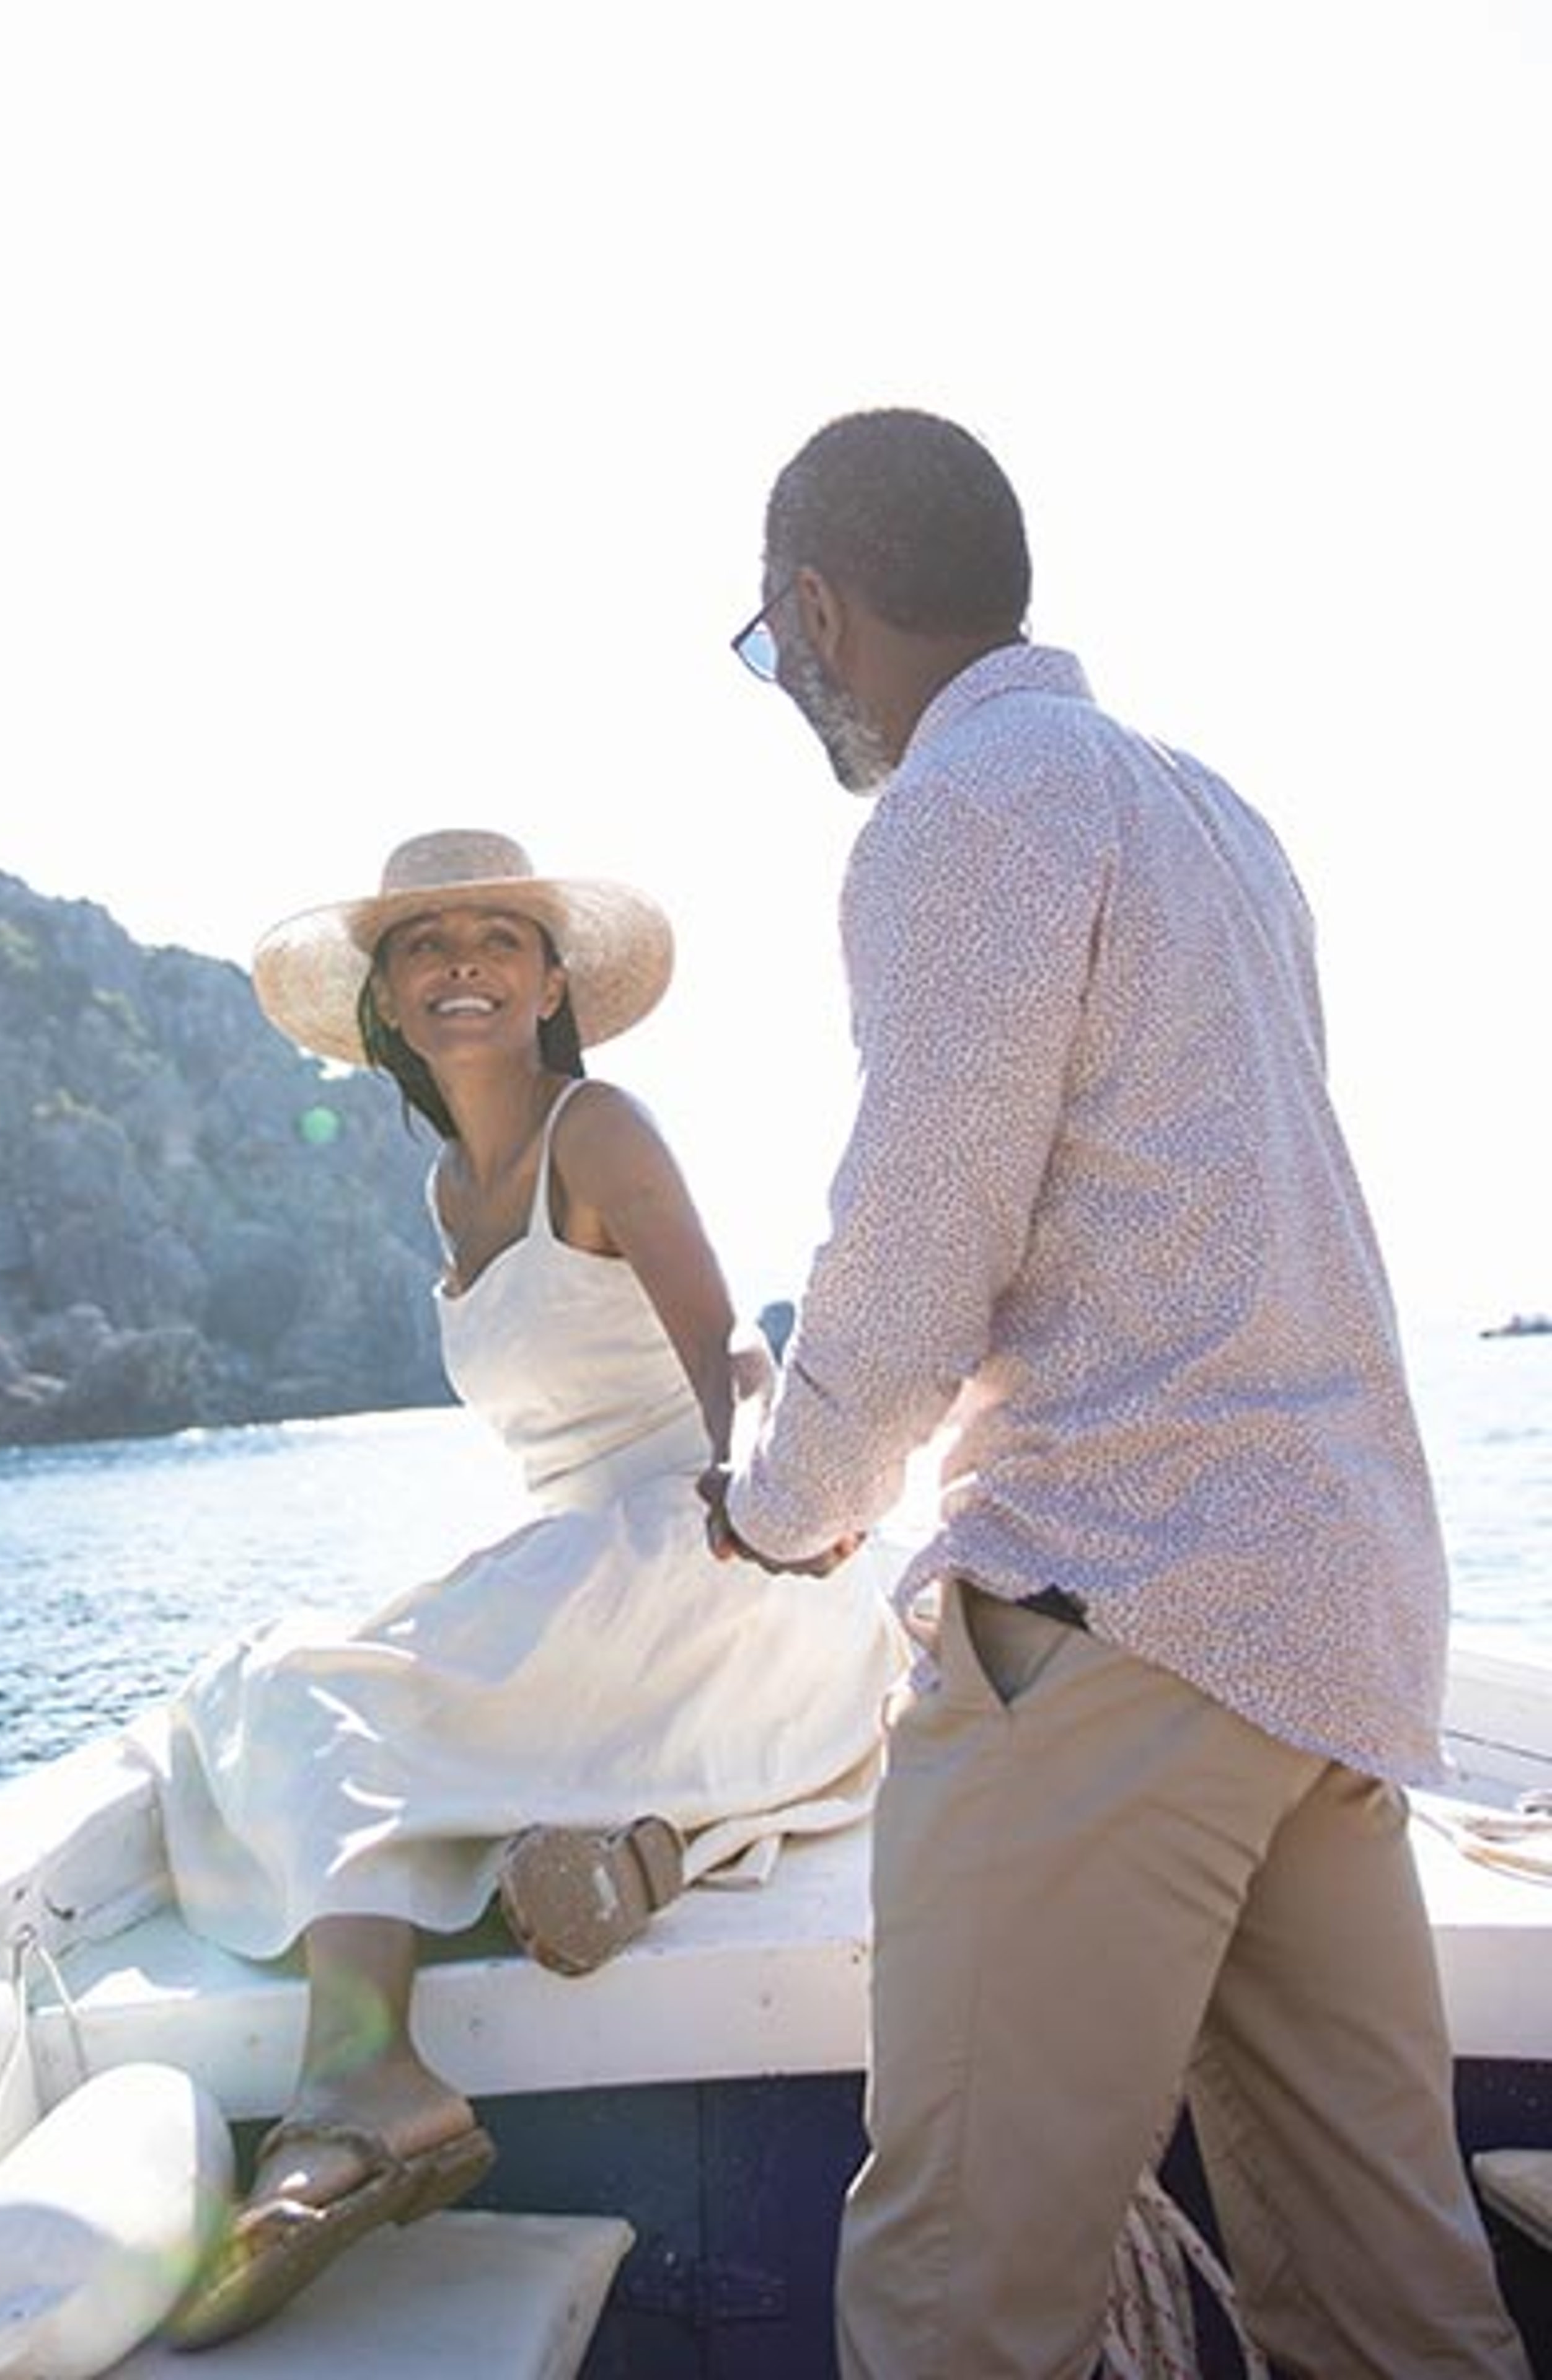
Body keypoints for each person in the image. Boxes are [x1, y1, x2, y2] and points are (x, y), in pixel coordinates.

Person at [706, 407, 1528, 2379]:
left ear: (817, 609)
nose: (784, 686)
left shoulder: (966, 808)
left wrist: (778, 1504)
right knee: (1390, 2297)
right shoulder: (1211, 811)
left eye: (766, 649)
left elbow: (918, 1243)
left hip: (1123, 1615)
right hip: (1330, 1632)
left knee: (956, 2306)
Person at [151, 827, 908, 2350]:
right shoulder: (447, 1186)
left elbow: (737, 1357)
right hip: (585, 1567)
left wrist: (777, 1510)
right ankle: (624, 1852)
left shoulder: (599, 1129)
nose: (465, 968)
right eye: (427, 946)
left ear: (552, 980)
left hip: (702, 1551)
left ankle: (366, 2079)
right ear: (387, 1000)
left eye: (500, 939)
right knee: (267, 1683)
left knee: (304, 1689)